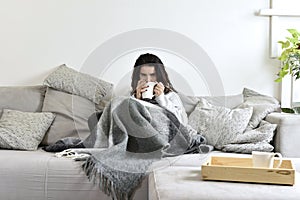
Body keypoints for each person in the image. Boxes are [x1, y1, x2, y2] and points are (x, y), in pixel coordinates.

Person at [131, 53, 188, 125]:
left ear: (159, 75)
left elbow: (182, 123)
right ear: (138, 76)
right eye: (143, 75)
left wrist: (162, 99)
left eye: (152, 75)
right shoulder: (132, 96)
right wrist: (136, 99)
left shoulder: (170, 96)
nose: (148, 80)